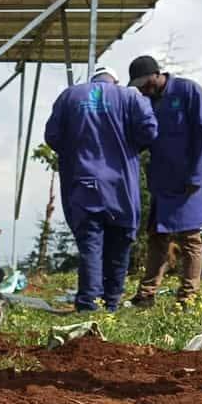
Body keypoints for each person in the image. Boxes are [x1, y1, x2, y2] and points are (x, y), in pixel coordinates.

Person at [44, 65, 157, 312]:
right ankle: (111, 303)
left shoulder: (70, 96)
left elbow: (52, 136)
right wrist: (128, 149)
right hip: (120, 184)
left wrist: (75, 151)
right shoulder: (129, 97)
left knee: (90, 244)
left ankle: (88, 303)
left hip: (83, 181)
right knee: (120, 240)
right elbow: (150, 131)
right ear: (114, 81)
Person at [127, 55, 202, 306]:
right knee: (156, 236)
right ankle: (146, 295)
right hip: (162, 181)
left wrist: (196, 175)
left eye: (146, 82)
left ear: (157, 74)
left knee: (190, 239)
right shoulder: (147, 102)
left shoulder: (189, 91)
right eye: (139, 85)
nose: (143, 88)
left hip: (187, 180)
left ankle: (188, 297)